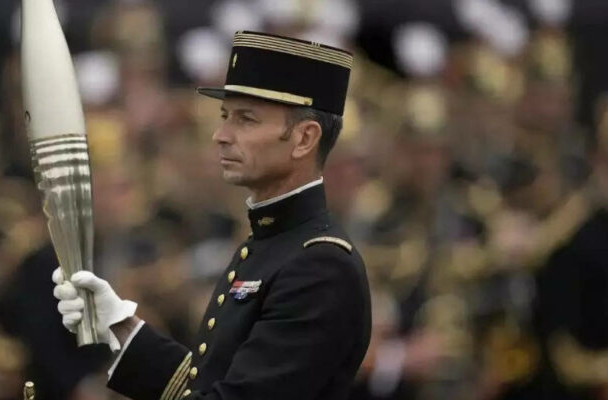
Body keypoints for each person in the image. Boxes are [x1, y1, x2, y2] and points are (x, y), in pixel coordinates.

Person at [52, 31, 371, 400]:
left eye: (246, 119)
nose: (221, 135)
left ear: (304, 139)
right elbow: (209, 383)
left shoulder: (319, 267)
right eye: (225, 116)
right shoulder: (272, 245)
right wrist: (119, 325)